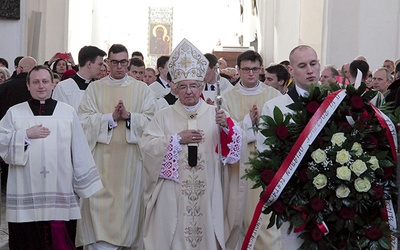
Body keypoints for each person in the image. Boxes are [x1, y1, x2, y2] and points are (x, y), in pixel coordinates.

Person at [141, 38, 246, 250]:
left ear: (201, 87)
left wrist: (227, 128)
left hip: (208, 188)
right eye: (183, 86)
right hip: (173, 192)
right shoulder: (163, 116)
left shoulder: (216, 114)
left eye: (194, 86)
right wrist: (176, 140)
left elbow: (235, 150)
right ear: (174, 88)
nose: (189, 91)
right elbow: (147, 147)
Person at [0, 65, 103, 249]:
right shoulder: (15, 113)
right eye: (36, 82)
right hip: (25, 191)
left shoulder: (67, 112)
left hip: (59, 190)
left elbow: (79, 149)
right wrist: (24, 135)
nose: (41, 86)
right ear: (28, 85)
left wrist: (84, 184)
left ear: (53, 85)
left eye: (45, 81)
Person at [76, 44, 157, 249]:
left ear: (128, 62)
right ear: (108, 63)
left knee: (128, 214)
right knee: (97, 214)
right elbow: (82, 121)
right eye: (114, 62)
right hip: (100, 164)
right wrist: (109, 118)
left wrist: (130, 117)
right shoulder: (95, 89)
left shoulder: (141, 89)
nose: (119, 66)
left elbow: (153, 122)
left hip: (131, 166)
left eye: (123, 62)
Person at [256, 45, 321, 249]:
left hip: (332, 198)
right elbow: (266, 155)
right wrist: (291, 194)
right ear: (291, 70)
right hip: (295, 201)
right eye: (302, 65)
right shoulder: (275, 107)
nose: (310, 70)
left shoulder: (336, 103)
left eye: (313, 64)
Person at [221, 50, 282, 249]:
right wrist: (248, 123)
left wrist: (259, 125)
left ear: (261, 70)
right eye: (246, 69)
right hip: (240, 168)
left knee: (267, 217)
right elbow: (224, 133)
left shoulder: (273, 95)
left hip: (269, 165)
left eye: (255, 69)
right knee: (242, 213)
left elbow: (282, 129)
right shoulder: (227, 98)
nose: (250, 74)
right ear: (238, 70)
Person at [52, 45, 106, 111]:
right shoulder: (63, 88)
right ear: (89, 64)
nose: (102, 68)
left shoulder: (98, 88)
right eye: (100, 64)